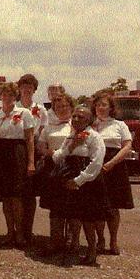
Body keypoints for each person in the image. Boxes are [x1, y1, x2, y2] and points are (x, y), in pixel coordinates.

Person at [50, 105, 107, 266]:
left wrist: (79, 180)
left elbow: (96, 162)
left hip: (88, 181)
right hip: (69, 178)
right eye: (74, 116)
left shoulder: (94, 137)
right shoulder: (71, 136)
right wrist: (72, 146)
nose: (76, 119)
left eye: (80, 117)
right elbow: (57, 157)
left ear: (89, 120)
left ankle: (92, 250)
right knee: (74, 215)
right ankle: (73, 246)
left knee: (89, 218)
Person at [0, 82, 35, 247]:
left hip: (18, 153)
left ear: (15, 97)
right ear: (0, 96)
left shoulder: (24, 113)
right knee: (6, 198)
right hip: (1, 155)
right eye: (4, 94)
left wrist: (31, 162)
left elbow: (30, 139)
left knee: (16, 197)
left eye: (10, 95)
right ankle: (9, 232)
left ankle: (20, 233)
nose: (7, 98)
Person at [37, 93, 82, 258]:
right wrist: (48, 152)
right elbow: (41, 146)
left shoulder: (78, 125)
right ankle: (56, 241)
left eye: (65, 106)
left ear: (71, 107)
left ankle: (74, 242)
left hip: (72, 166)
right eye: (58, 107)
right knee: (55, 207)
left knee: (73, 207)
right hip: (53, 168)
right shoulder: (49, 126)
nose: (62, 109)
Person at [91, 92, 134, 255]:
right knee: (97, 206)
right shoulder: (91, 124)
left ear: (111, 108)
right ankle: (100, 240)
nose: (100, 108)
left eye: (104, 105)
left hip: (114, 166)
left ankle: (113, 240)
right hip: (94, 165)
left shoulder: (119, 125)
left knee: (113, 206)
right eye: (98, 105)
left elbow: (127, 146)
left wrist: (111, 163)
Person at [16, 73, 47, 244]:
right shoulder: (14, 108)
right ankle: (16, 230)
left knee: (29, 194)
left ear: (34, 90)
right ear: (19, 89)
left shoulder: (40, 110)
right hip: (17, 147)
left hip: (34, 148)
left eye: (31, 87)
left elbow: (43, 130)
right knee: (16, 194)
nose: (27, 90)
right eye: (24, 86)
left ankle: (28, 230)